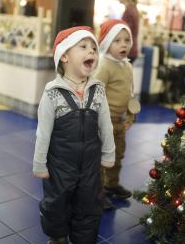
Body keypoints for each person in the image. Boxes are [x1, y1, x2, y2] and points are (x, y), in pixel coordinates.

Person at [33, 26, 115, 244]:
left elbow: (105, 124)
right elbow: (43, 133)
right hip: (59, 167)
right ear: (65, 56)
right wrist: (40, 164)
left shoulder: (97, 90)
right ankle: (57, 237)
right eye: (84, 46)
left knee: (89, 206)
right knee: (57, 204)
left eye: (94, 49)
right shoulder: (52, 93)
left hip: (90, 166)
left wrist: (109, 153)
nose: (91, 52)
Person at [94, 19, 141, 210]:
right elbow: (95, 93)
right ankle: (96, 193)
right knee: (101, 158)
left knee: (117, 155)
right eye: (117, 40)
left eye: (127, 40)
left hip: (120, 121)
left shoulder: (127, 66)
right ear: (106, 43)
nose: (124, 44)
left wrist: (131, 115)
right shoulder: (104, 65)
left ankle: (111, 185)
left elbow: (130, 93)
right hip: (104, 121)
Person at [117, 0, 140, 64]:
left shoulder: (129, 11)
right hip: (131, 50)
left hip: (128, 51)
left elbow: (125, 32)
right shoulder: (132, 9)